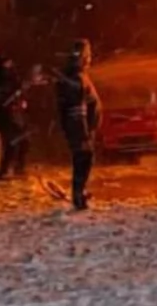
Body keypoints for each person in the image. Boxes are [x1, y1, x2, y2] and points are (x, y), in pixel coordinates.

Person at [56, 39, 102, 210]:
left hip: (81, 129)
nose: (90, 59)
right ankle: (78, 196)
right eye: (88, 56)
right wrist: (83, 134)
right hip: (79, 129)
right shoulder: (75, 78)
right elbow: (77, 110)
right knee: (83, 159)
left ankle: (79, 192)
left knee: (83, 159)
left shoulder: (76, 75)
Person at [0, 54, 30, 179]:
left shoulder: (14, 77)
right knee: (12, 140)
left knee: (24, 139)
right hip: (7, 113)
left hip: (17, 112)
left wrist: (22, 99)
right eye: (6, 64)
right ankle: (6, 169)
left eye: (10, 63)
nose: (9, 66)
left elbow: (21, 91)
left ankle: (20, 166)